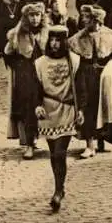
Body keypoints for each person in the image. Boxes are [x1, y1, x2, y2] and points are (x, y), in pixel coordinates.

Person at [34, 25, 86, 212]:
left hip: (66, 110)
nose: (55, 44)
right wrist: (37, 105)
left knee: (59, 152)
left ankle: (57, 191)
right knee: (53, 154)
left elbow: (81, 87)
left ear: (64, 42)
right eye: (52, 40)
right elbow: (36, 88)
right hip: (48, 112)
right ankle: (60, 187)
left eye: (58, 41)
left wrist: (82, 109)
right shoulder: (40, 63)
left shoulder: (75, 61)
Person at [68, 5, 112, 158]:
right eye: (83, 17)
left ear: (96, 19)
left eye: (88, 17)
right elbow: (74, 57)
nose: (84, 20)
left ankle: (102, 139)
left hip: (106, 76)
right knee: (88, 107)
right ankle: (89, 144)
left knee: (106, 106)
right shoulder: (78, 38)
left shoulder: (111, 36)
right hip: (87, 76)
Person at [5, 2, 49, 160]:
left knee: (47, 106)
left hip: (44, 75)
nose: (35, 18)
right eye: (32, 15)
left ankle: (48, 138)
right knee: (28, 109)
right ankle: (29, 144)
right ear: (26, 17)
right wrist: (20, 66)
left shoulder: (47, 32)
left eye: (37, 15)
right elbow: (8, 54)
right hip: (27, 77)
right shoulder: (18, 34)